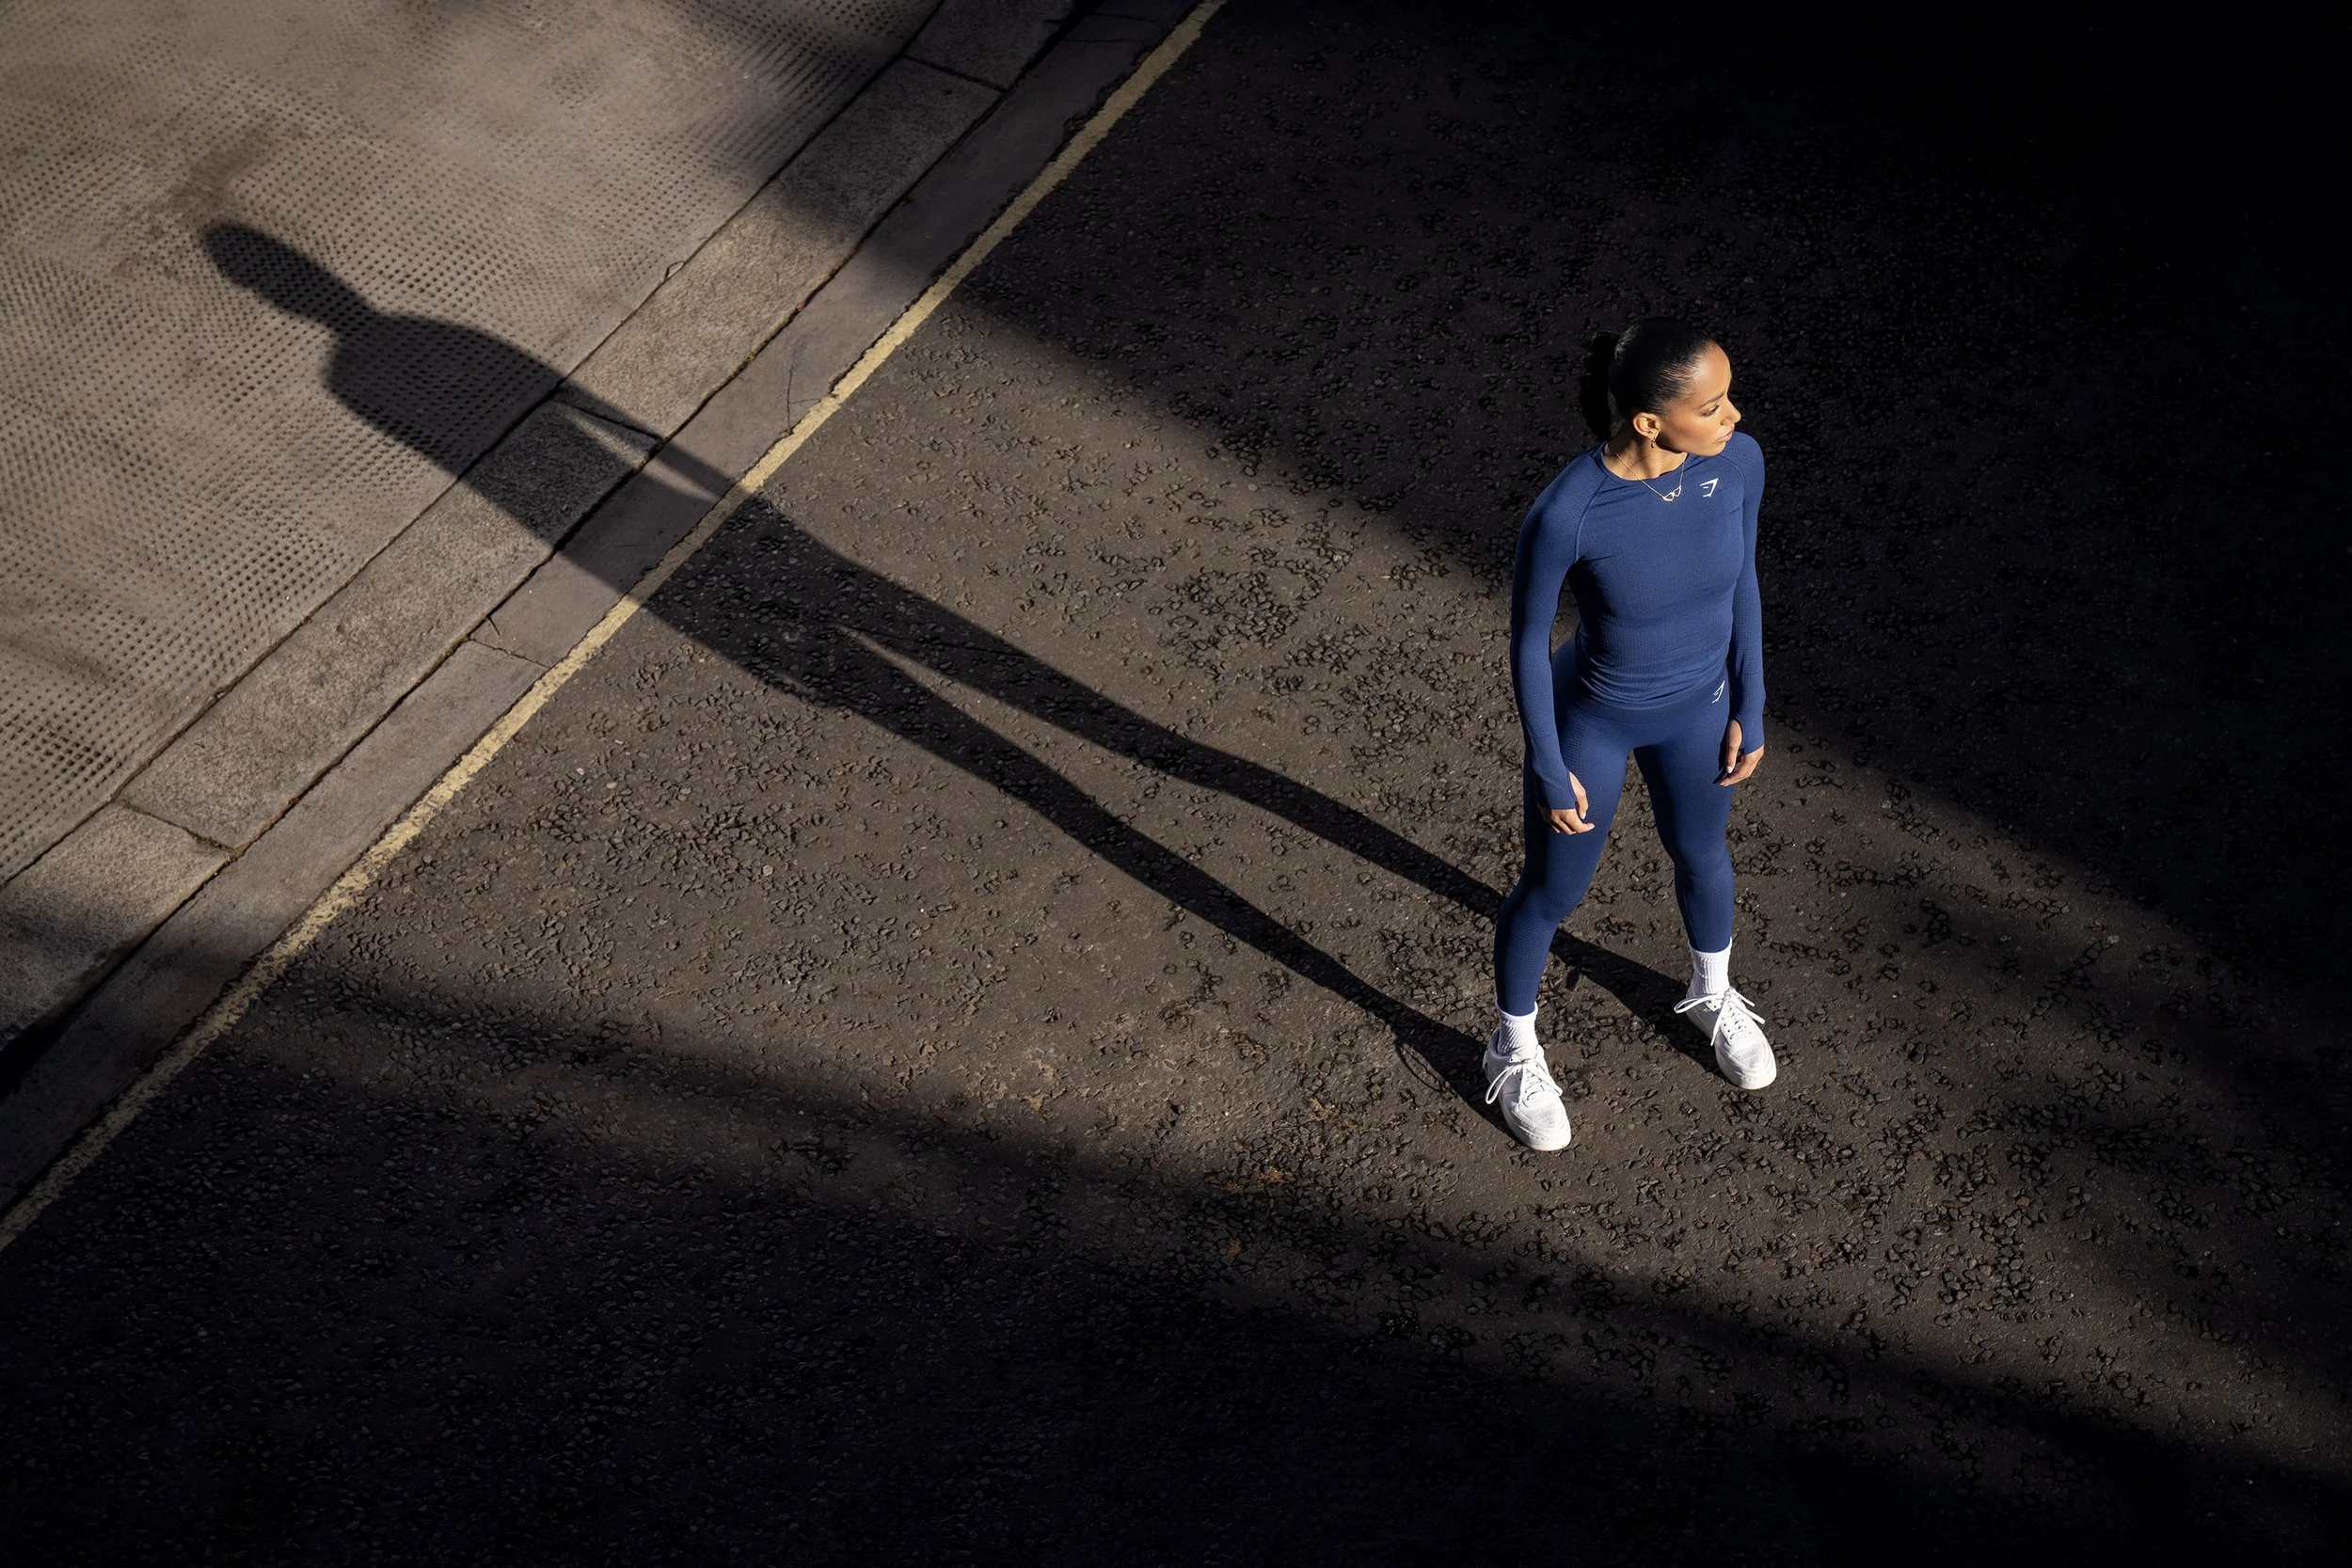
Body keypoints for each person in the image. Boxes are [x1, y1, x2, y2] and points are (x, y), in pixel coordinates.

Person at [1484, 318, 1776, 1152]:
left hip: (1698, 710)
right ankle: (1513, 1045)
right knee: (1552, 891)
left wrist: (1750, 702)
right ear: (1651, 421)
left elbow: (1743, 582)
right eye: (1713, 406)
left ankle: (1713, 994)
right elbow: (1527, 643)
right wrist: (1546, 760)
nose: (1734, 417)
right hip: (1595, 725)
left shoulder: (1738, 465)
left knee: (1704, 856)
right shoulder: (1568, 511)